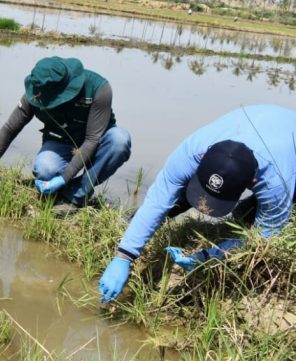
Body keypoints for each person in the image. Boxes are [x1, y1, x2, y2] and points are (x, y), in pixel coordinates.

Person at [99, 104, 296, 303]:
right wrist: (124, 256)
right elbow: (158, 200)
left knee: (251, 218)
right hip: (253, 123)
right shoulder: (194, 149)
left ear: (251, 182)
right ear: (202, 159)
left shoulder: (277, 182)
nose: (206, 208)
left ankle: (251, 207)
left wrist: (208, 256)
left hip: (286, 140)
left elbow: (265, 235)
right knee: (179, 195)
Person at [0, 56, 131, 210]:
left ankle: (75, 195)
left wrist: (64, 178)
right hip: (61, 141)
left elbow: (92, 139)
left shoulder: (98, 89)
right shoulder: (38, 92)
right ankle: (61, 185)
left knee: (120, 140)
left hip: (97, 143)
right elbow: (10, 128)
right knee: (45, 170)